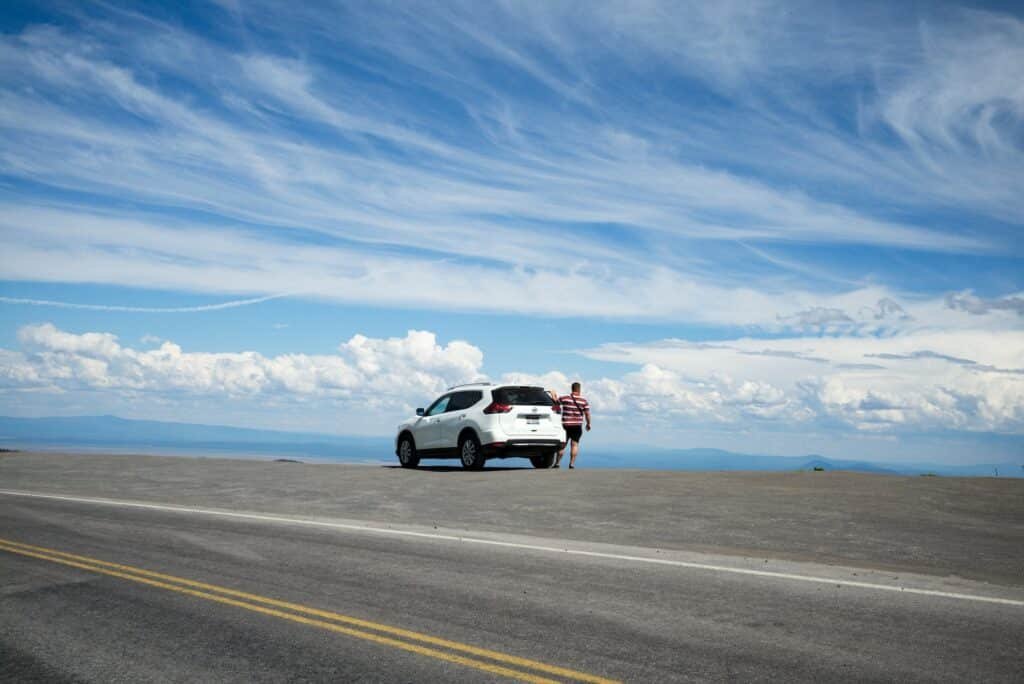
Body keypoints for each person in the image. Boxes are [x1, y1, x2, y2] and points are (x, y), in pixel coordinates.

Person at [555, 382, 591, 469]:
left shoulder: (565, 398)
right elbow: (587, 414)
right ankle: (571, 464)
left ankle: (557, 463)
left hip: (565, 425)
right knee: (574, 445)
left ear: (572, 389)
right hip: (577, 426)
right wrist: (588, 424)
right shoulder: (584, 401)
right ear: (579, 389)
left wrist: (553, 395)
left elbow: (555, 405)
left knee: (562, 445)